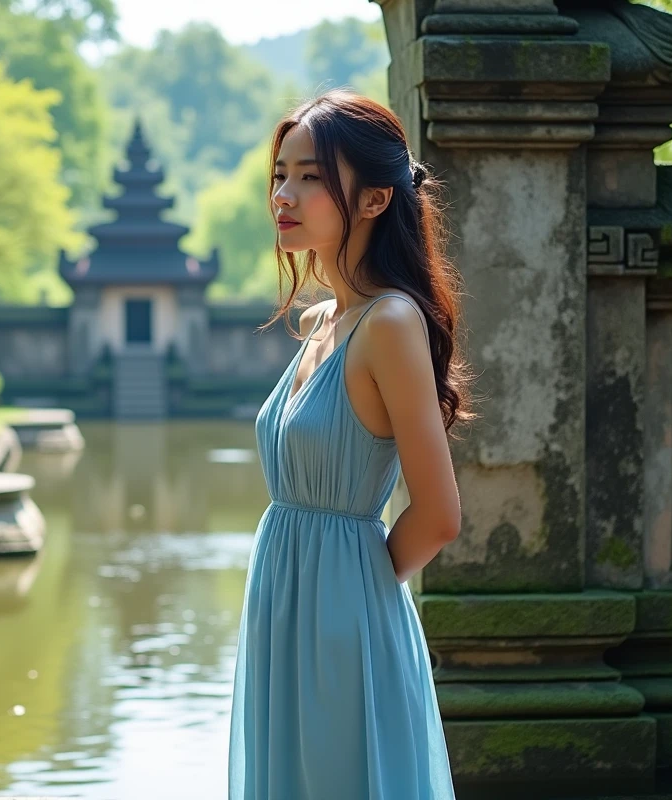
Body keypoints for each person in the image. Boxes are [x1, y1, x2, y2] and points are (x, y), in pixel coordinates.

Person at [228, 89, 472, 800]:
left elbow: (439, 514)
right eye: (281, 174)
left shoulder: (389, 324)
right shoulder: (322, 321)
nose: (284, 194)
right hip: (282, 608)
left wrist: (349, 592)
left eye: (310, 176)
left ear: (372, 199)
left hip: (341, 623)